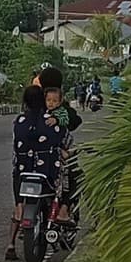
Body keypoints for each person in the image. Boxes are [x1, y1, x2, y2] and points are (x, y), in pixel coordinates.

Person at [6, 85, 64, 260]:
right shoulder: (52, 122)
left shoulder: (19, 122)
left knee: (19, 208)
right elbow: (65, 141)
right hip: (47, 173)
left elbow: (16, 147)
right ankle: (59, 217)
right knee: (59, 192)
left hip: (22, 173)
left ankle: (10, 244)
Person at [40, 72, 82, 223]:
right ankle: (64, 210)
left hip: (35, 156)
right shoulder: (62, 107)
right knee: (75, 175)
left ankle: (20, 211)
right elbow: (76, 121)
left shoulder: (36, 105)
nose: (51, 102)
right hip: (59, 155)